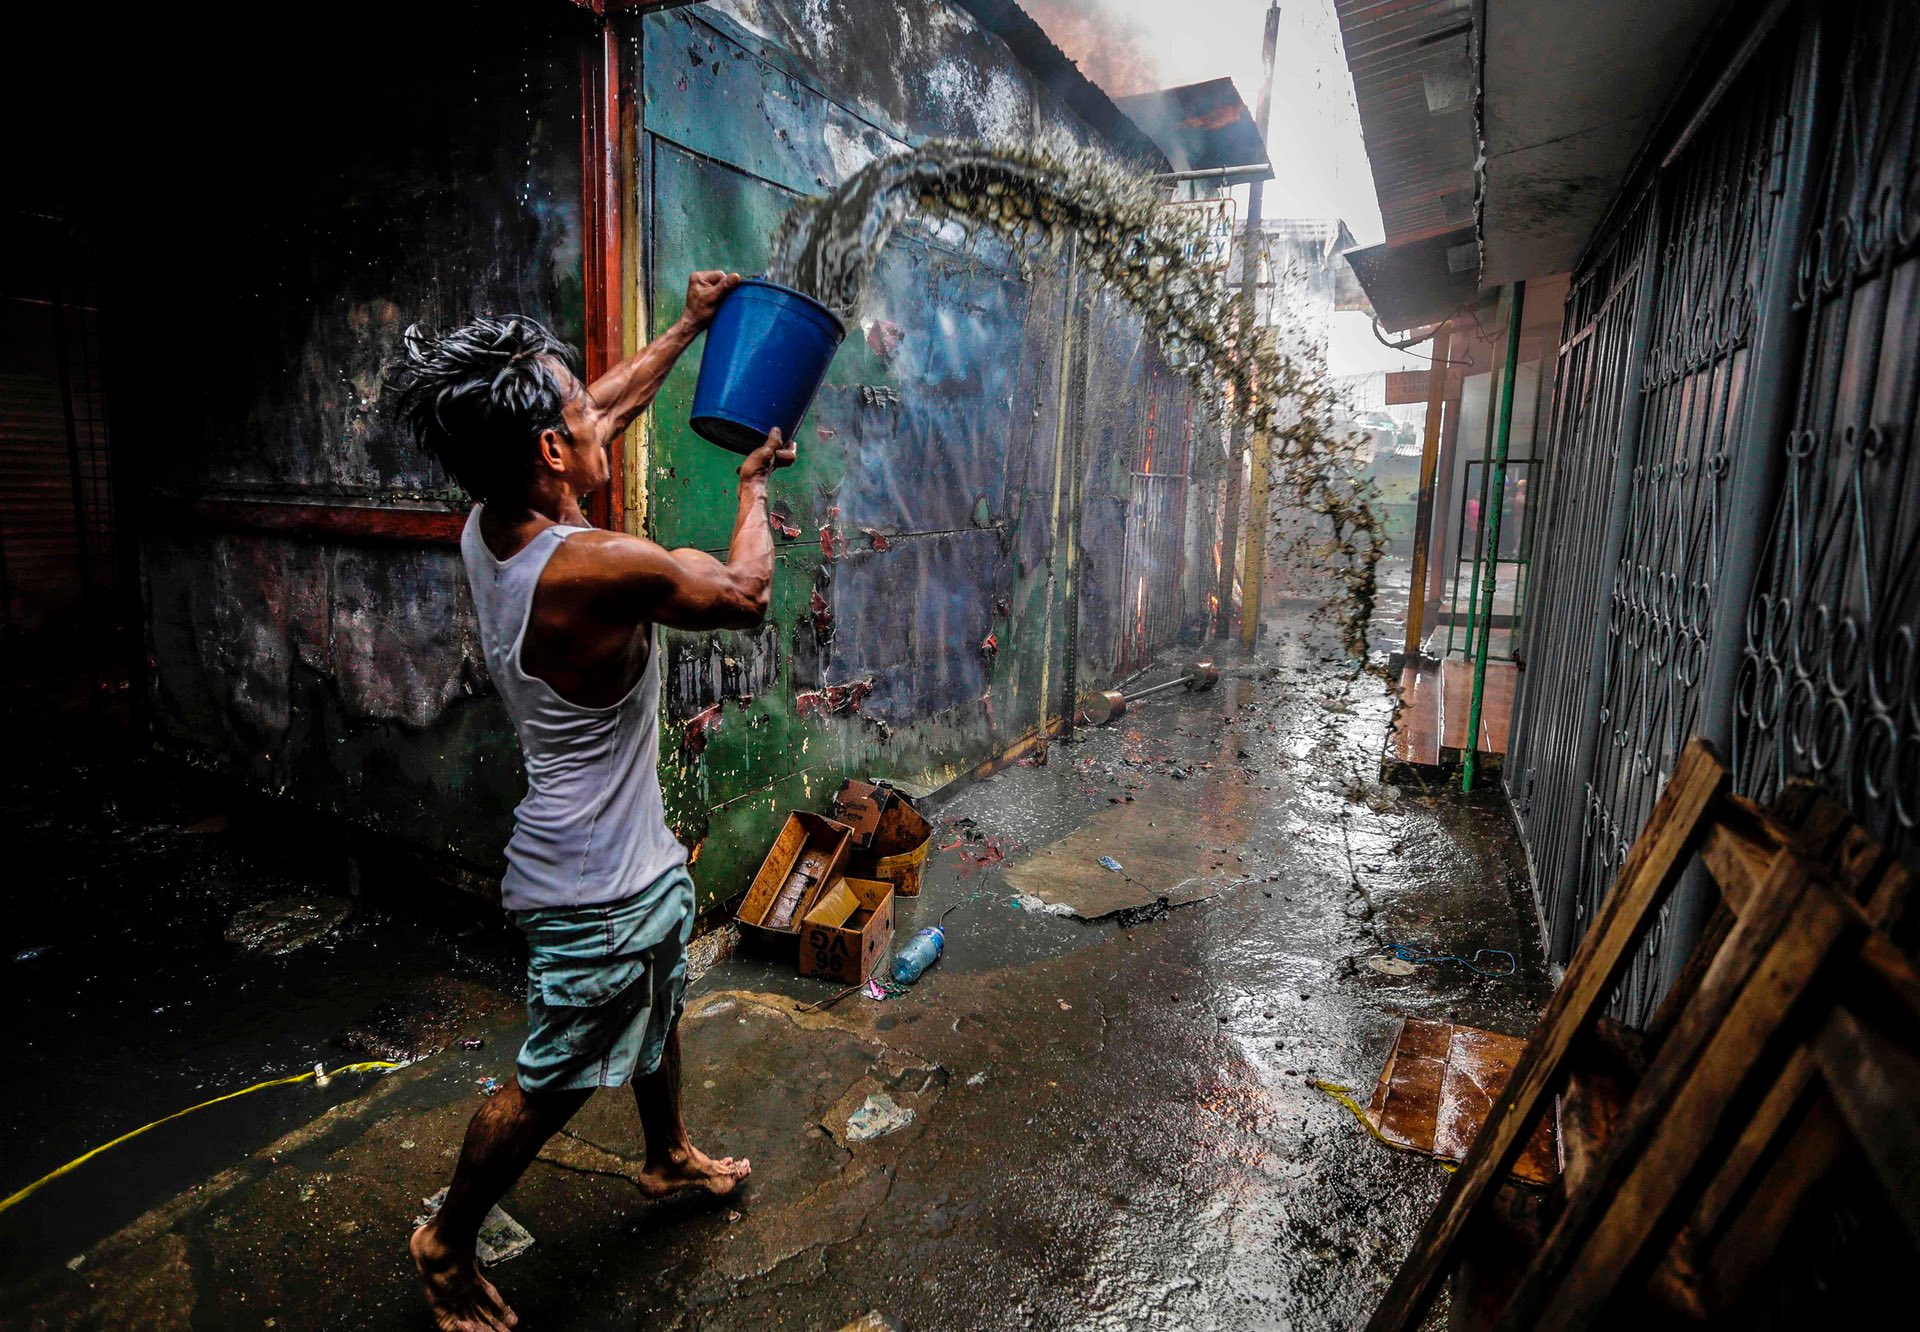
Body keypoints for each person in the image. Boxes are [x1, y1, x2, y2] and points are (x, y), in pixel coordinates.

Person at [388, 271, 793, 1332]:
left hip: (623, 851)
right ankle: (445, 1241)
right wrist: (753, 494)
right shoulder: (588, 566)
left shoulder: (493, 518)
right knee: (552, 1082)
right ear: (550, 456)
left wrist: (692, 327)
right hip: (589, 882)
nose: (600, 411)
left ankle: (664, 1157)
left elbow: (607, 404)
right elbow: (742, 597)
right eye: (577, 417)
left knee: (657, 1000)